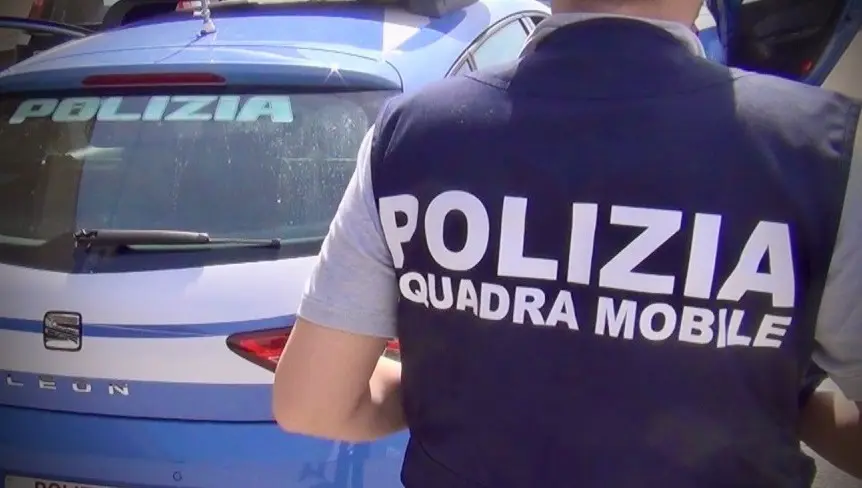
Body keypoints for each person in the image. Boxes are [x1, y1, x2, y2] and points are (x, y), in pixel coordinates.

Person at [272, 0, 862, 486]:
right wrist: (792, 402)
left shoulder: (411, 136)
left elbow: (312, 402)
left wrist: (450, 389)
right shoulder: (819, 151)